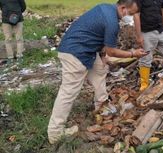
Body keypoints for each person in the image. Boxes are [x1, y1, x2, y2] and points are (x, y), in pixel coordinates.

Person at [48, 0, 148, 144]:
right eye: (131, 13)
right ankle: (55, 133)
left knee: (100, 69)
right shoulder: (112, 22)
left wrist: (101, 54)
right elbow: (111, 51)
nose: (131, 17)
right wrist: (133, 53)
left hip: (86, 48)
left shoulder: (105, 7)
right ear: (123, 8)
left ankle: (101, 106)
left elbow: (96, 32)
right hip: (74, 52)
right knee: (68, 92)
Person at [134, 0, 163, 91]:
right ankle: (144, 85)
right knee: (145, 58)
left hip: (161, 29)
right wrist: (139, 35)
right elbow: (136, 15)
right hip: (146, 32)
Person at [0, 0, 26, 65]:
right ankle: (10, 58)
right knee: (8, 39)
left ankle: (19, 56)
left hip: (18, 19)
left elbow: (23, 7)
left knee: (19, 38)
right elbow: (1, 7)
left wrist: (16, 14)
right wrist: (7, 13)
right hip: (6, 21)